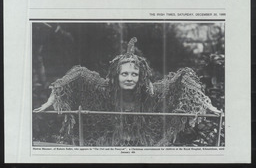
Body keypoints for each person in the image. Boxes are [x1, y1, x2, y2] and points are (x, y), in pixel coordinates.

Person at [34, 37, 220, 146]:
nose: (129, 78)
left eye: (134, 74)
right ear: (116, 75)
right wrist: (51, 100)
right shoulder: (103, 88)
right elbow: (78, 75)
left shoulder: (151, 91)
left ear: (141, 77)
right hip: (110, 141)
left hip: (141, 142)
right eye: (124, 74)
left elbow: (181, 81)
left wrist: (206, 103)